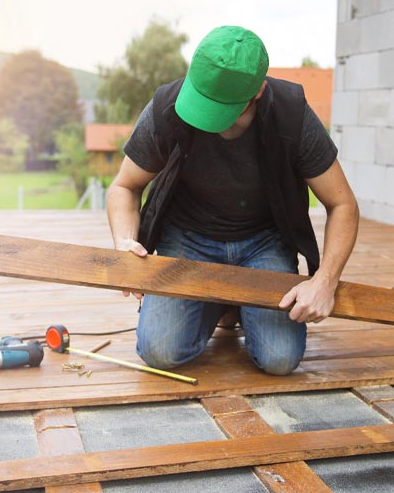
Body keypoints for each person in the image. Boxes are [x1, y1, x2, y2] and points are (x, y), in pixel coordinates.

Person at [107, 25, 359, 375]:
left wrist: (325, 281)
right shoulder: (167, 106)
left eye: (219, 108)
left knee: (280, 359)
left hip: (264, 240)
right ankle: (225, 303)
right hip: (186, 238)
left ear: (258, 90)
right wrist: (124, 244)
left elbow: (343, 204)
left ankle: (230, 302)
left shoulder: (292, 115)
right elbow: (124, 186)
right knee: (159, 352)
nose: (204, 119)